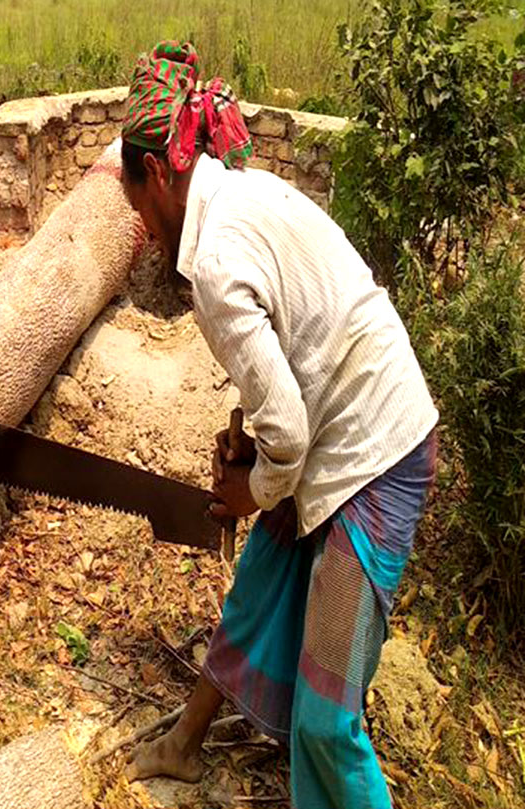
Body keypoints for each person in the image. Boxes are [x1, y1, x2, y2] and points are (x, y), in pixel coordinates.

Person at [118, 42, 438, 809]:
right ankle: (184, 745)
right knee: (261, 580)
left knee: (327, 724)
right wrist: (251, 448)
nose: (146, 234)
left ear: (160, 175)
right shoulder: (237, 195)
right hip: (340, 431)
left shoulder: (216, 262)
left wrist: (255, 487)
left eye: (138, 210)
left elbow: (290, 435)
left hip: (375, 457)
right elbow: (293, 362)